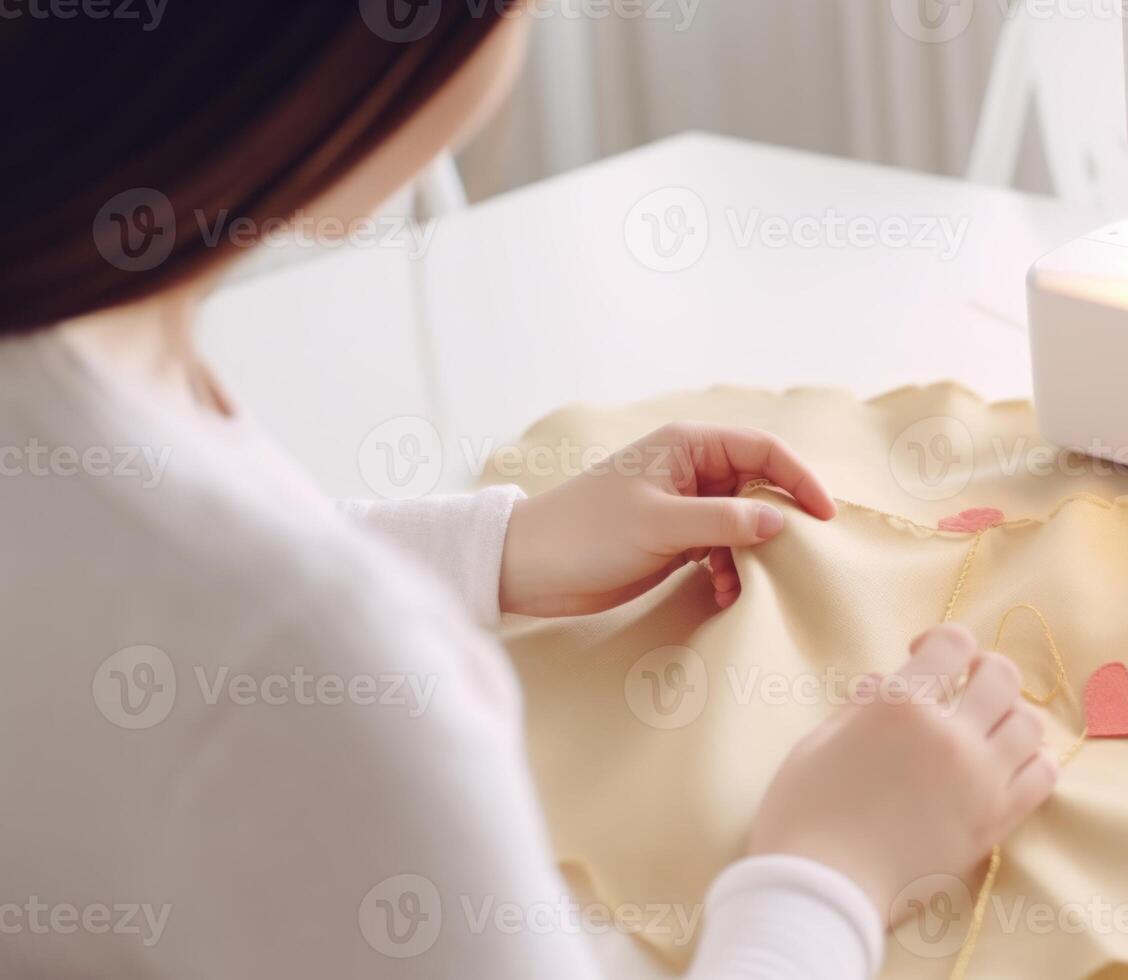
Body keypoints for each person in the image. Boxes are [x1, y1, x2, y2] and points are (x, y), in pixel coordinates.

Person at [0, 4, 1056, 978]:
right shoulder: (322, 691)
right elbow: (242, 646)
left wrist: (494, 550)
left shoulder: (69, 362)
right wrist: (831, 871)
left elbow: (111, 594)